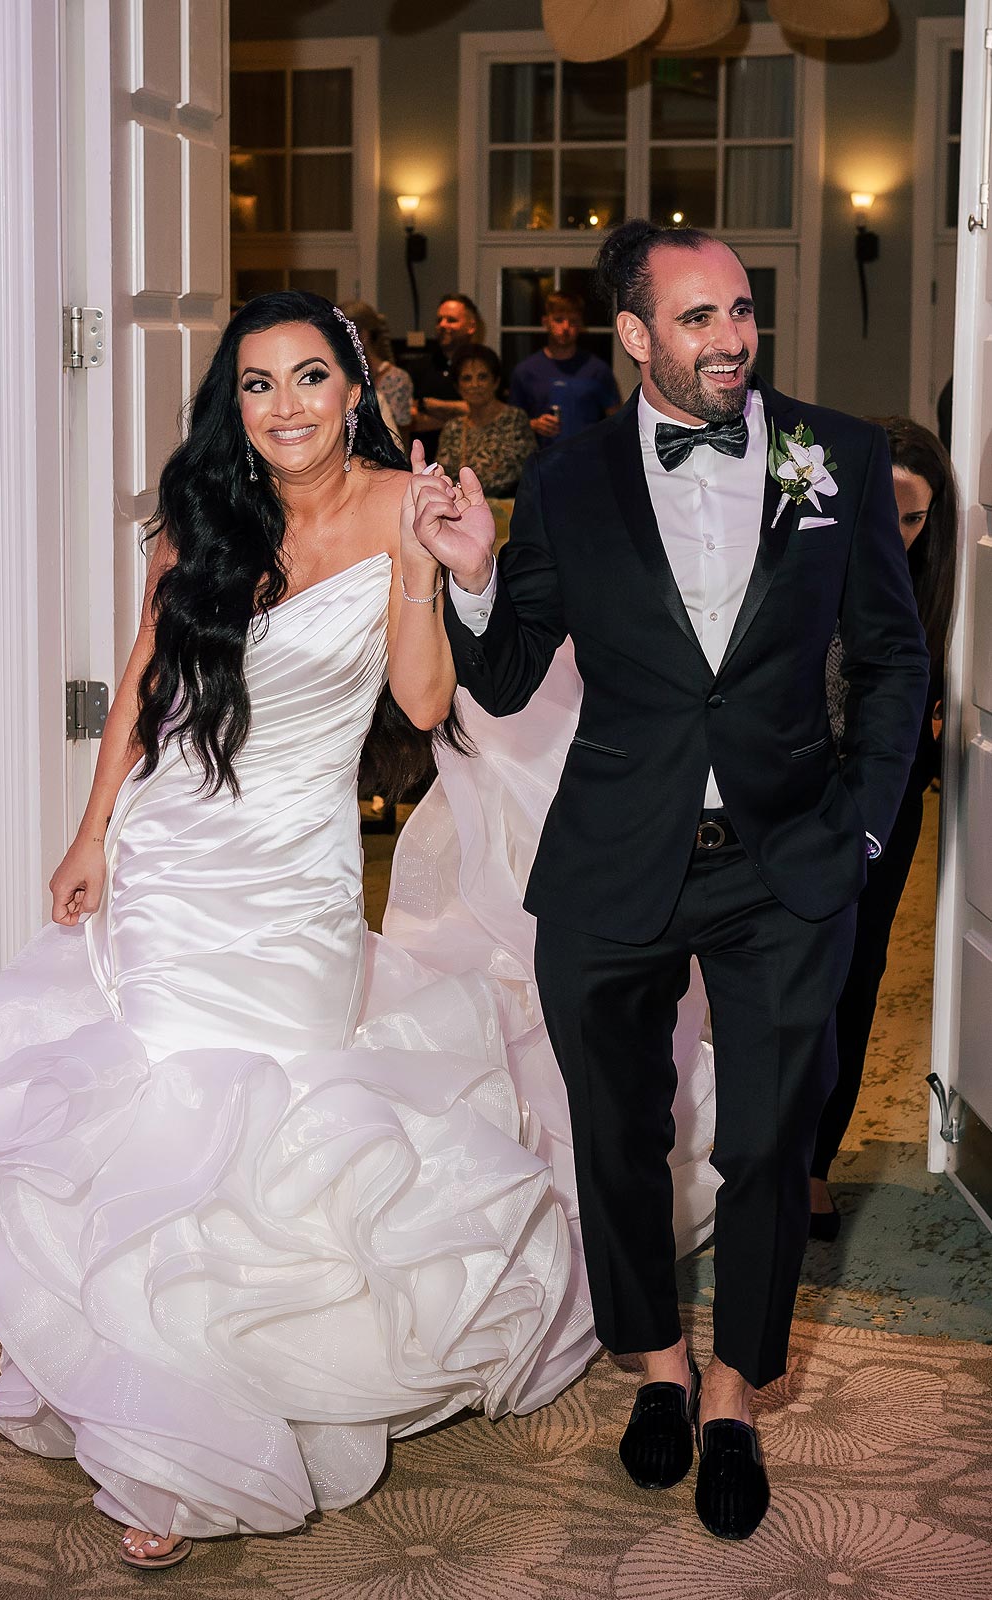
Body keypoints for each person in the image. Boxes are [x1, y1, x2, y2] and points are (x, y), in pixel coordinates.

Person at [0, 288, 716, 1572]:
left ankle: (247, 1389)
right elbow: (145, 673)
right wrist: (91, 832)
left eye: (309, 378)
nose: (285, 406)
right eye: (257, 384)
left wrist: (415, 564)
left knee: (256, 1130)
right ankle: (167, 1441)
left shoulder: (393, 509)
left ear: (356, 390)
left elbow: (419, 694)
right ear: (230, 402)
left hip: (291, 875)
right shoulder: (200, 512)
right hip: (168, 853)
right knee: (149, 1123)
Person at [415, 217, 929, 1541]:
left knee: (764, 1140)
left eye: (741, 312)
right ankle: (651, 1365)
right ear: (632, 333)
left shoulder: (827, 455)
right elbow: (511, 670)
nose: (730, 339)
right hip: (611, 856)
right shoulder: (572, 479)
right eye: (696, 318)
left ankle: (733, 1396)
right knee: (615, 1134)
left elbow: (889, 654)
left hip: (786, 856)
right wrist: (471, 580)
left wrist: (863, 828)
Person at [810, 416, 957, 1239]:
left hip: (885, 800)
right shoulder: (806, 558)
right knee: (770, 980)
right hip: (790, 788)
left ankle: (812, 1164)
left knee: (856, 975)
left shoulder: (931, 588)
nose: (896, 534)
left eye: (914, 518)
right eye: (886, 512)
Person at [508, 290, 620, 445]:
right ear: (546, 322)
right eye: (559, 320)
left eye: (573, 321)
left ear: (581, 325)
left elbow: (617, 422)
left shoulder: (598, 370)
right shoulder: (525, 371)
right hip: (541, 460)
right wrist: (534, 424)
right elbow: (510, 424)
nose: (566, 327)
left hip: (588, 459)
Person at [436, 343, 536, 497]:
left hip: (506, 514)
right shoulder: (452, 428)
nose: (475, 385)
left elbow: (526, 476)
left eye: (482, 377)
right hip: (460, 513)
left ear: (495, 381)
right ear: (457, 387)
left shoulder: (515, 419)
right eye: (467, 378)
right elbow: (441, 478)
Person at [405, 293, 483, 453]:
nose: (443, 325)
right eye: (439, 320)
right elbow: (409, 420)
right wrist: (462, 414)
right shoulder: (418, 367)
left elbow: (488, 413)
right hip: (426, 463)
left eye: (451, 320)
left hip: (474, 460)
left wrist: (430, 405)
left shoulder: (484, 367)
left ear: (471, 326)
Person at [340, 298, 414, 453]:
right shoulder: (338, 375)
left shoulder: (396, 380)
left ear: (363, 335)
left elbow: (401, 440)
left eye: (341, 333)